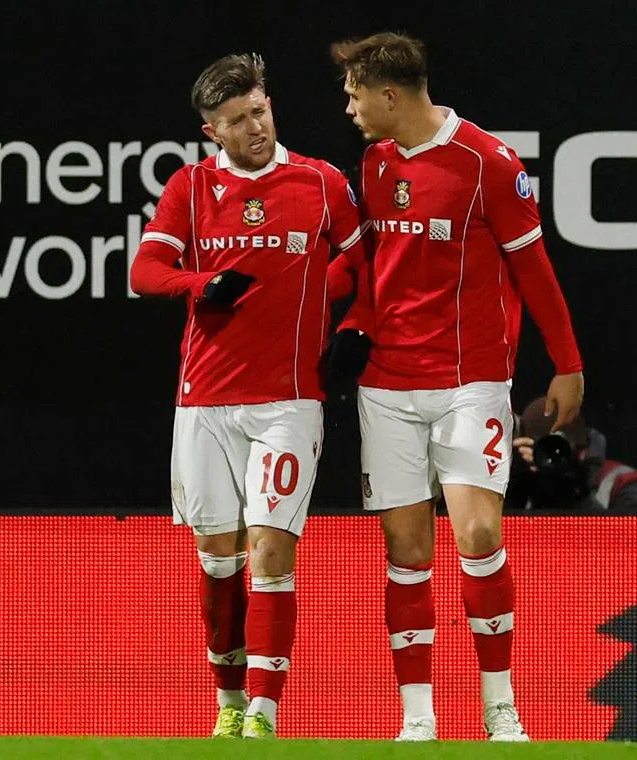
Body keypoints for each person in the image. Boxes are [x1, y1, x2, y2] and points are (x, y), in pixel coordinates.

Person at [327, 32, 585, 742]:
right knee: (407, 553)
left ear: (389, 95)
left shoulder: (488, 162)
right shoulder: (375, 164)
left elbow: (534, 271)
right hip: (387, 386)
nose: (347, 108)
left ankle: (500, 706)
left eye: (354, 94)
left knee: (476, 534)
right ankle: (418, 720)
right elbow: (379, 272)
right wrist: (353, 324)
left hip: (471, 381)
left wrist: (568, 363)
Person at [130, 53, 366, 739]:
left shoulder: (320, 181)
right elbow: (145, 270)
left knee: (271, 548)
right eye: (237, 121)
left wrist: (339, 303)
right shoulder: (192, 187)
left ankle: (264, 710)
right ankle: (228, 699)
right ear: (212, 130)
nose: (255, 127)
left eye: (259, 111)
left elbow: (365, 258)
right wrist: (196, 285)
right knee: (218, 558)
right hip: (205, 400)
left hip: (289, 399)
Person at [508, 397, 637, 511]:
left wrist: (573, 492)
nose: (550, 459)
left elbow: (635, 544)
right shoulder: (527, 483)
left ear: (583, 447)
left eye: (557, 449)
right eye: (542, 451)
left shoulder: (623, 483)